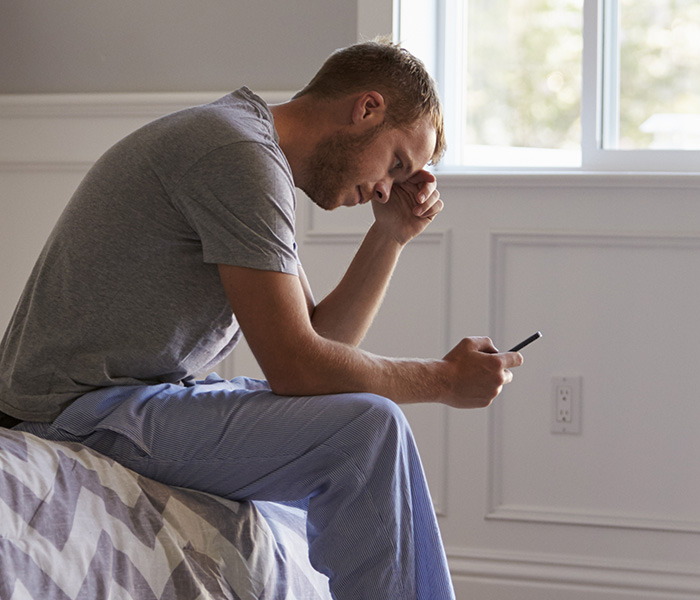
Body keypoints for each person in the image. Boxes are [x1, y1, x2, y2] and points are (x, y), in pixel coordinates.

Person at [0, 39, 519, 599]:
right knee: (368, 431)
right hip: (70, 410)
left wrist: (389, 234)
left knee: (362, 424)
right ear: (366, 108)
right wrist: (442, 380)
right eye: (396, 163)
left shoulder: (249, 150)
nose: (386, 187)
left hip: (130, 399)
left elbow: (318, 343)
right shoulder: (235, 154)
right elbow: (298, 367)